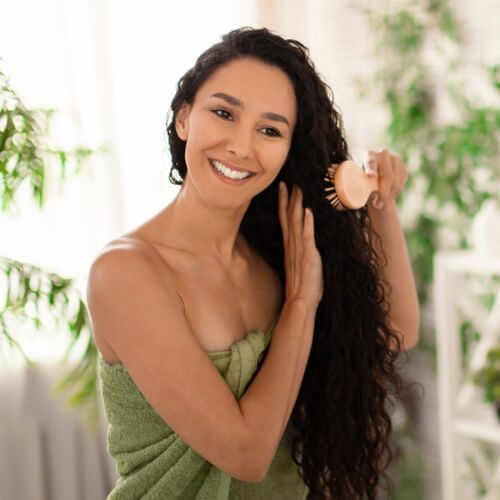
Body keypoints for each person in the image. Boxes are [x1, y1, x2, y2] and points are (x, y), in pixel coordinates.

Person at [86, 27, 419, 500]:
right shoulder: (126, 273)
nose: (242, 147)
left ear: (287, 151)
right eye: (224, 113)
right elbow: (246, 453)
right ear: (184, 119)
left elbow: (399, 329)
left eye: (269, 130)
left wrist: (381, 201)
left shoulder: (277, 254)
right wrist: (300, 306)